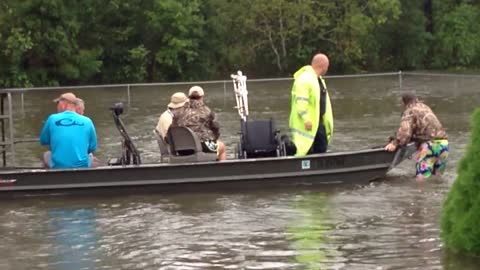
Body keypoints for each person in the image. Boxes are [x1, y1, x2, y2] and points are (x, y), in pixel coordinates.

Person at [384, 92, 449, 180]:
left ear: (403, 102)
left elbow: (405, 132)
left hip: (430, 146)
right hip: (444, 145)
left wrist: (394, 143)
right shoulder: (425, 107)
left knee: (421, 180)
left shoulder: (410, 110)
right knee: (437, 179)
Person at [289, 52, 334, 156]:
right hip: (308, 123)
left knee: (321, 146)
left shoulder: (318, 80)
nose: (328, 68)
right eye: (327, 65)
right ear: (322, 65)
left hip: (318, 121)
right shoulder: (304, 80)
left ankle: (320, 168)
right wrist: (306, 119)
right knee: (306, 149)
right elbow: (300, 102)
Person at [40, 92, 98, 169]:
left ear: (63, 104)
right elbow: (93, 147)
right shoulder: (87, 121)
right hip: (82, 165)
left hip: (58, 166)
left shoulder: (52, 118)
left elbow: (43, 141)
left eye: (58, 103)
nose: (57, 106)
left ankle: (51, 177)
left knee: (47, 154)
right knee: (92, 158)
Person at [171, 86, 226, 160]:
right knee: (221, 147)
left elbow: (172, 129)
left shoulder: (178, 112)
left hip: (182, 149)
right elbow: (216, 128)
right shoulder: (207, 111)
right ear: (202, 97)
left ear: (188, 97)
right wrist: (213, 140)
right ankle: (221, 170)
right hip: (203, 146)